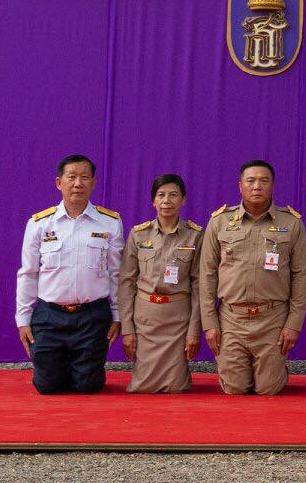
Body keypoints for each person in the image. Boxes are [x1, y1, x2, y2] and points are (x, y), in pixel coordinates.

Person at [198, 159, 306, 396]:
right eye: (251, 181)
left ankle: (275, 369)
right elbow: (207, 275)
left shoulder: (291, 223)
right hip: (231, 318)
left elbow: (301, 276)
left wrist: (293, 325)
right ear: (240, 186)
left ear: (273, 185)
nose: (257, 186)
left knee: (268, 388)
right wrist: (210, 324)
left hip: (272, 318)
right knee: (234, 388)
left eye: (263, 181)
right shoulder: (219, 222)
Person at [13, 153, 122, 395]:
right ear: (59, 183)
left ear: (93, 183)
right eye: (71, 177)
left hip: (92, 316)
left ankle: (84, 371)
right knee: (47, 386)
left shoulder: (110, 223)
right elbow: (28, 273)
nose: (78, 184)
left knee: (88, 386)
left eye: (85, 177)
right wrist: (23, 320)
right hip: (50, 316)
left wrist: (117, 315)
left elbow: (116, 273)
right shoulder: (40, 224)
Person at [118, 173, 203, 393]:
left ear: (183, 199)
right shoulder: (138, 235)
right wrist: (127, 329)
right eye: (161, 195)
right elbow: (126, 283)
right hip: (146, 320)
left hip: (178, 321)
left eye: (173, 195)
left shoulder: (194, 236)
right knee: (142, 387)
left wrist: (194, 330)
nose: (167, 201)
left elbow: (199, 286)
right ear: (153, 201)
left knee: (177, 387)